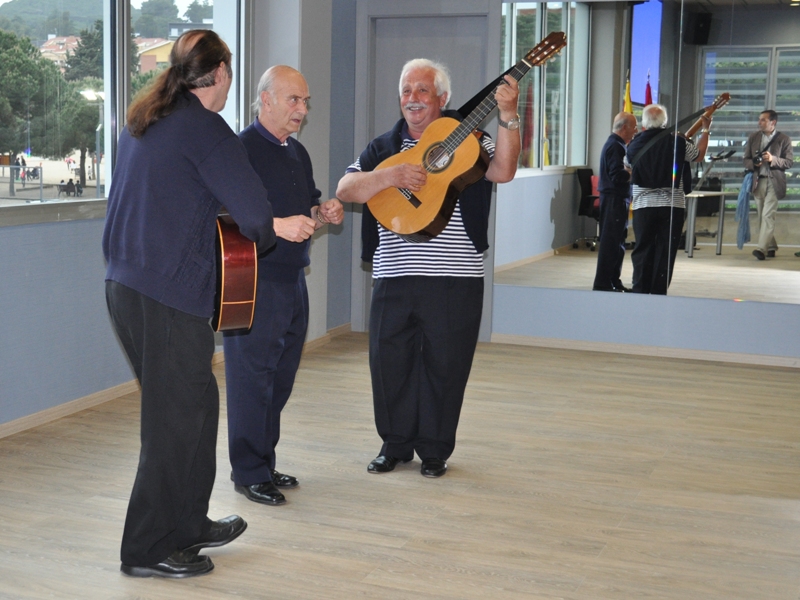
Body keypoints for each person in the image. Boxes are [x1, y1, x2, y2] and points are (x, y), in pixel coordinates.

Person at [103, 30, 277, 579]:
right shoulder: (207, 129)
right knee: (172, 421)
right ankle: (148, 547)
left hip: (125, 287)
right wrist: (272, 226)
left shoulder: (145, 119)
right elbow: (254, 218)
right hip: (167, 297)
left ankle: (188, 521)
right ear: (220, 72)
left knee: (196, 405)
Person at [336, 58, 520, 478]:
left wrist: (508, 116)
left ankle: (435, 450)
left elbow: (504, 171)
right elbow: (346, 187)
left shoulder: (474, 140)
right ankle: (394, 445)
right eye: (406, 90)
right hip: (393, 276)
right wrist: (390, 176)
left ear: (443, 98)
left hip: (456, 278)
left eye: (422, 90)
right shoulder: (382, 147)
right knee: (389, 365)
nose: (412, 99)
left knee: (446, 364)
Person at [224, 65, 344, 507]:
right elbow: (224, 215)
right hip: (253, 282)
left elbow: (304, 210)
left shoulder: (297, 152)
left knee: (280, 379)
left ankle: (264, 461)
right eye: (294, 100)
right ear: (265, 99)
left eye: (305, 101)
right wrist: (278, 225)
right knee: (251, 380)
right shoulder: (238, 150)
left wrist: (322, 211)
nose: (302, 109)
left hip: (293, 279)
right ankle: (248, 471)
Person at [626, 104, 710, 295]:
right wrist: (705, 129)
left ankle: (640, 289)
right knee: (665, 251)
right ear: (665, 122)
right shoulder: (677, 143)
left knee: (642, 249)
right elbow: (699, 155)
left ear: (644, 122)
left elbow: (627, 167)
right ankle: (658, 292)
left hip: (643, 206)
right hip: (672, 206)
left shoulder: (634, 144)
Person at [592, 112, 637, 292]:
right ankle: (603, 284)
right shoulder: (616, 147)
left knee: (618, 243)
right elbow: (617, 175)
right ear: (624, 127)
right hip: (613, 199)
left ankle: (613, 281)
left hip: (618, 199)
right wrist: (633, 171)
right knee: (611, 244)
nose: (636, 130)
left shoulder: (617, 145)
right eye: (633, 126)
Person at [743, 110, 794, 260]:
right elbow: (745, 159)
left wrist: (773, 159)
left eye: (763, 120)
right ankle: (771, 245)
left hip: (774, 181)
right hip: (758, 181)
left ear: (773, 122)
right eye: (759, 120)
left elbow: (789, 162)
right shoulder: (753, 137)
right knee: (761, 216)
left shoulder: (784, 139)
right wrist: (754, 163)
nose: (760, 123)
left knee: (767, 215)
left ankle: (761, 249)